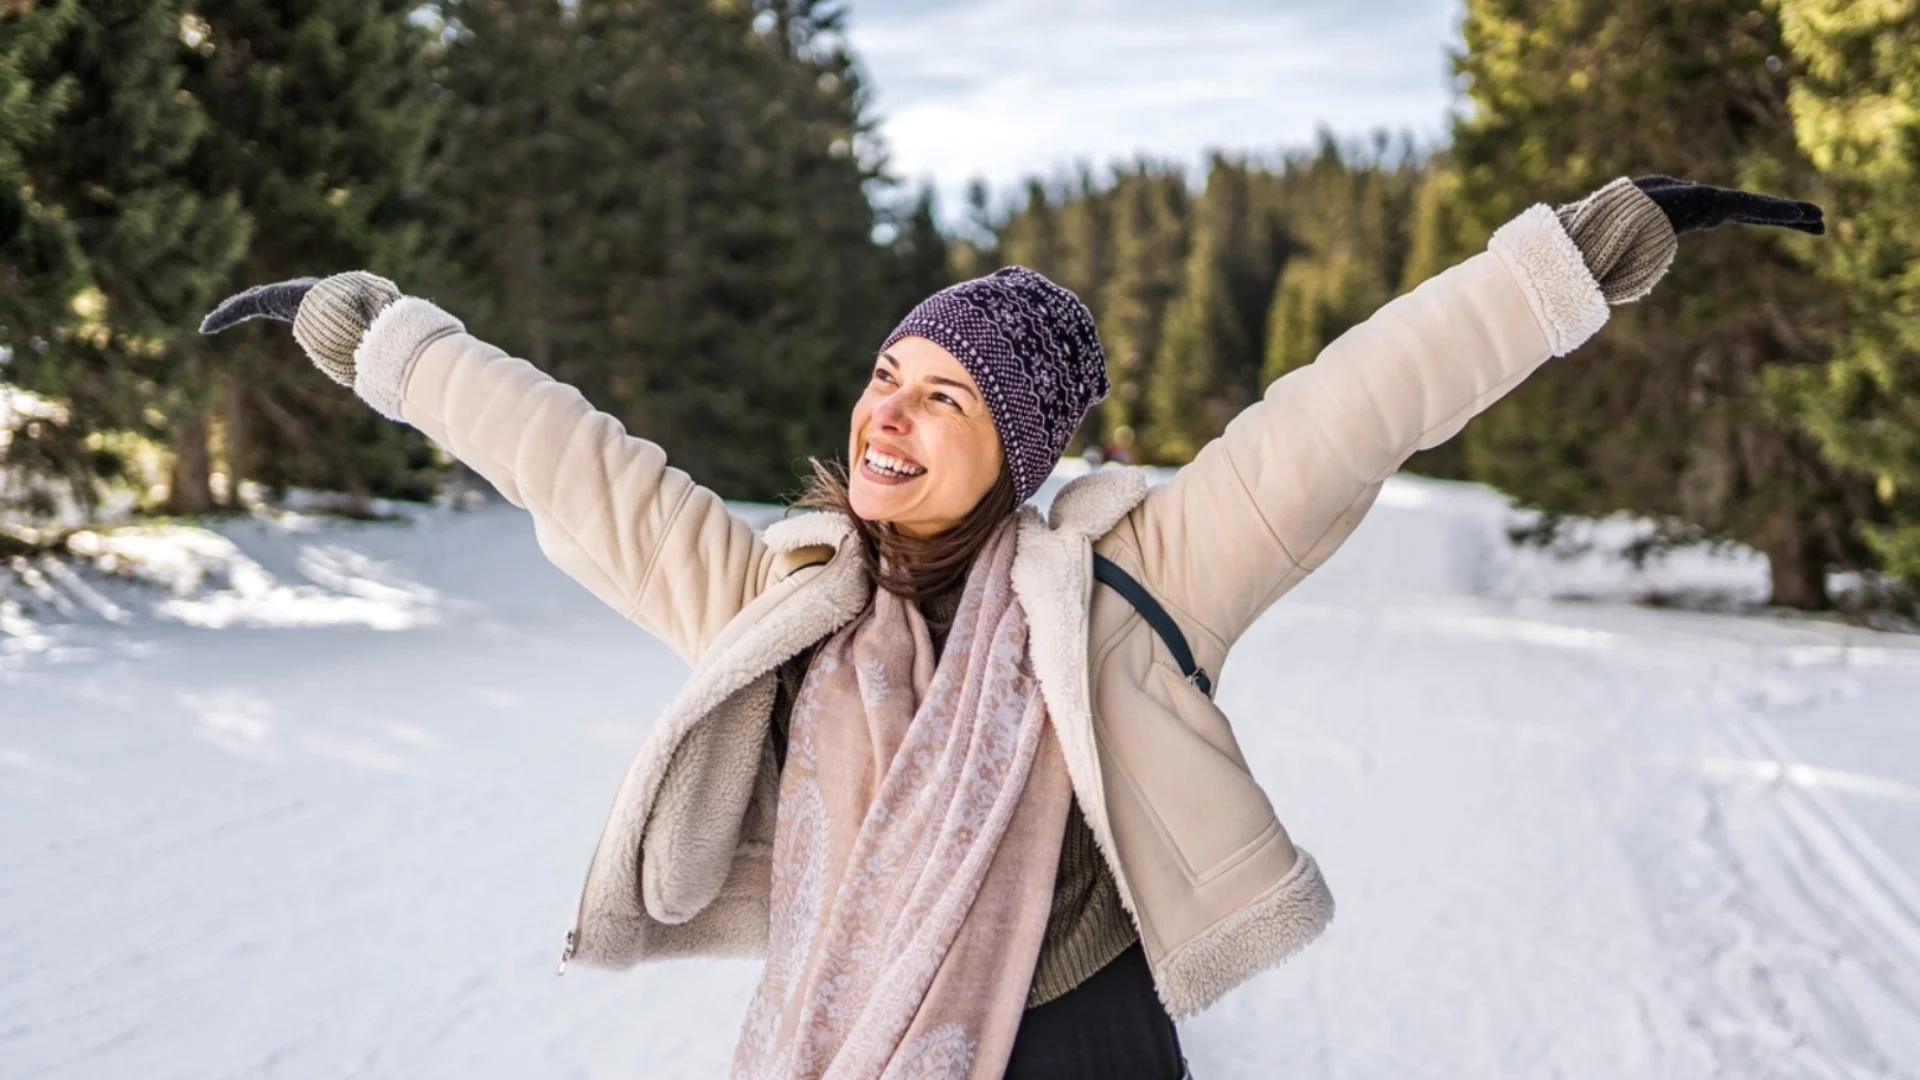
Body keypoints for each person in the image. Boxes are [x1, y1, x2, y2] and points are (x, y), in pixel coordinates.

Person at [202, 175, 1821, 1079]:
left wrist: (1576, 263)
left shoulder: (1130, 578)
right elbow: (577, 460)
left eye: (948, 395)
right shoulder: (786, 595)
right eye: (889, 377)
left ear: (1022, 449)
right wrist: (381, 340)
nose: (892, 415)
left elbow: (1356, 406)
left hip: (1082, 1055)